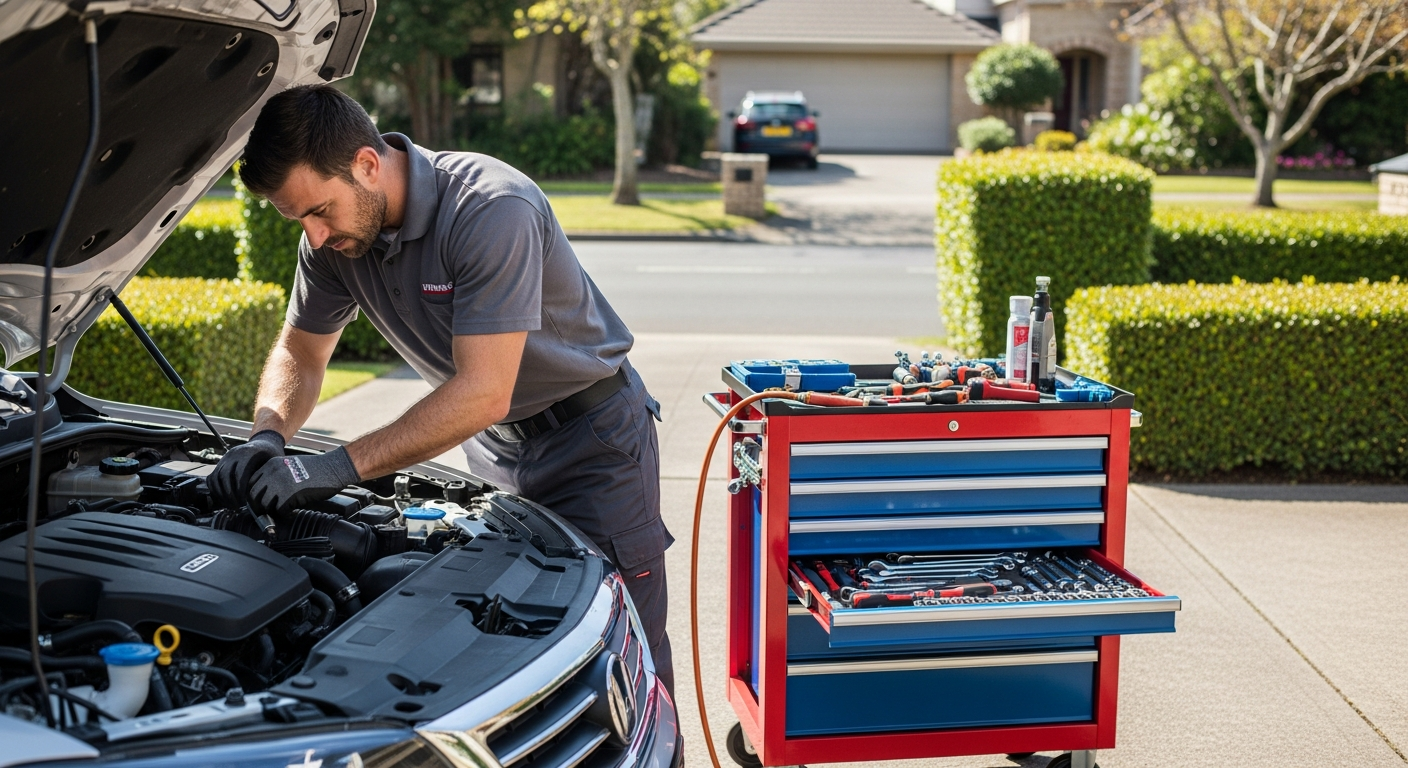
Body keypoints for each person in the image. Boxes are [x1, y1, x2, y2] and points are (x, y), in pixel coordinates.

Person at [207, 84, 674, 693]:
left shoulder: (489, 207)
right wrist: (268, 434)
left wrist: (333, 467)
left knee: (625, 654)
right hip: (494, 449)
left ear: (367, 165)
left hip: (593, 445)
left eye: (319, 211)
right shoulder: (333, 242)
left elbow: (483, 391)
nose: (315, 236)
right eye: (298, 219)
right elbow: (302, 350)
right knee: (509, 649)